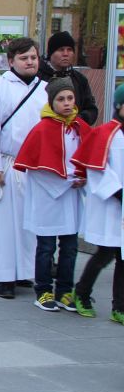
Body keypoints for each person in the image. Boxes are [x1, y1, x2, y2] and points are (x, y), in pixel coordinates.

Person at [0, 37, 47, 298]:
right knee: (5, 224)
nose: (30, 62)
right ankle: (5, 276)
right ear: (11, 60)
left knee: (31, 225)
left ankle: (25, 271)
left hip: (36, 167)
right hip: (5, 162)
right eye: (24, 58)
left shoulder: (47, 90)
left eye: (33, 57)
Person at [13, 77, 89, 311]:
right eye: (61, 99)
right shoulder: (42, 129)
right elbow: (36, 168)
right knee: (46, 247)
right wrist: (67, 182)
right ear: (51, 102)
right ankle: (43, 291)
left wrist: (83, 178)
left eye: (70, 98)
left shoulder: (80, 127)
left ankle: (65, 291)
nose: (66, 103)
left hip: (72, 198)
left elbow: (91, 160)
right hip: (49, 198)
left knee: (70, 247)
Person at [71, 83, 124, 320]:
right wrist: (119, 193)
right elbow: (97, 169)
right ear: (119, 106)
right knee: (106, 252)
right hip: (111, 204)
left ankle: (119, 306)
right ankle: (81, 293)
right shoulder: (106, 133)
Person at [40, 31, 98, 126]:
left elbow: (91, 109)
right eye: (61, 49)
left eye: (69, 49)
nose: (65, 54)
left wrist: (77, 120)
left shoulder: (79, 79)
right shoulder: (38, 77)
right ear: (50, 53)